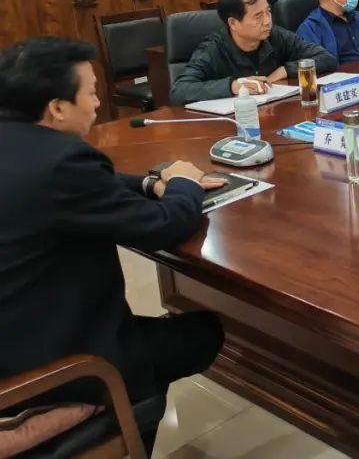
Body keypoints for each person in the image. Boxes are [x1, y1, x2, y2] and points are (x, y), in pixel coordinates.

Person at [0, 37, 226, 454]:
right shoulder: (62, 161)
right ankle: (125, 423)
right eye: (90, 92)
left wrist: (150, 183)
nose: (98, 102)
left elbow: (82, 187)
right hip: (48, 367)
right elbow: (163, 227)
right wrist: (183, 183)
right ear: (57, 107)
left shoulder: (21, 146)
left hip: (13, 337)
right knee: (201, 333)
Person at [171, 0, 336, 104]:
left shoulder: (275, 36)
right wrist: (233, 86)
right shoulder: (212, 50)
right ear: (233, 23)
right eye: (258, 16)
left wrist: (285, 70)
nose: (267, 21)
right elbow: (179, 91)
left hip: (275, 115)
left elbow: (327, 58)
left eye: (268, 12)